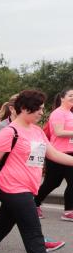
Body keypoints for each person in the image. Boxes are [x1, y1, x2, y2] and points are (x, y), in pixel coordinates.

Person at [0, 90, 73, 253]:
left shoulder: (36, 131)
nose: (41, 113)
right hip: (12, 187)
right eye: (39, 109)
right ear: (25, 108)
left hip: (28, 187)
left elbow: (53, 153)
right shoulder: (10, 132)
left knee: (1, 226)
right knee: (33, 231)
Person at [34, 88, 73, 221]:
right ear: (62, 98)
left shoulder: (70, 113)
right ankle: (34, 204)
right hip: (57, 153)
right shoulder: (58, 113)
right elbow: (58, 132)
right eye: (70, 96)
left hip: (70, 153)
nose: (72, 98)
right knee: (52, 183)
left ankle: (69, 211)